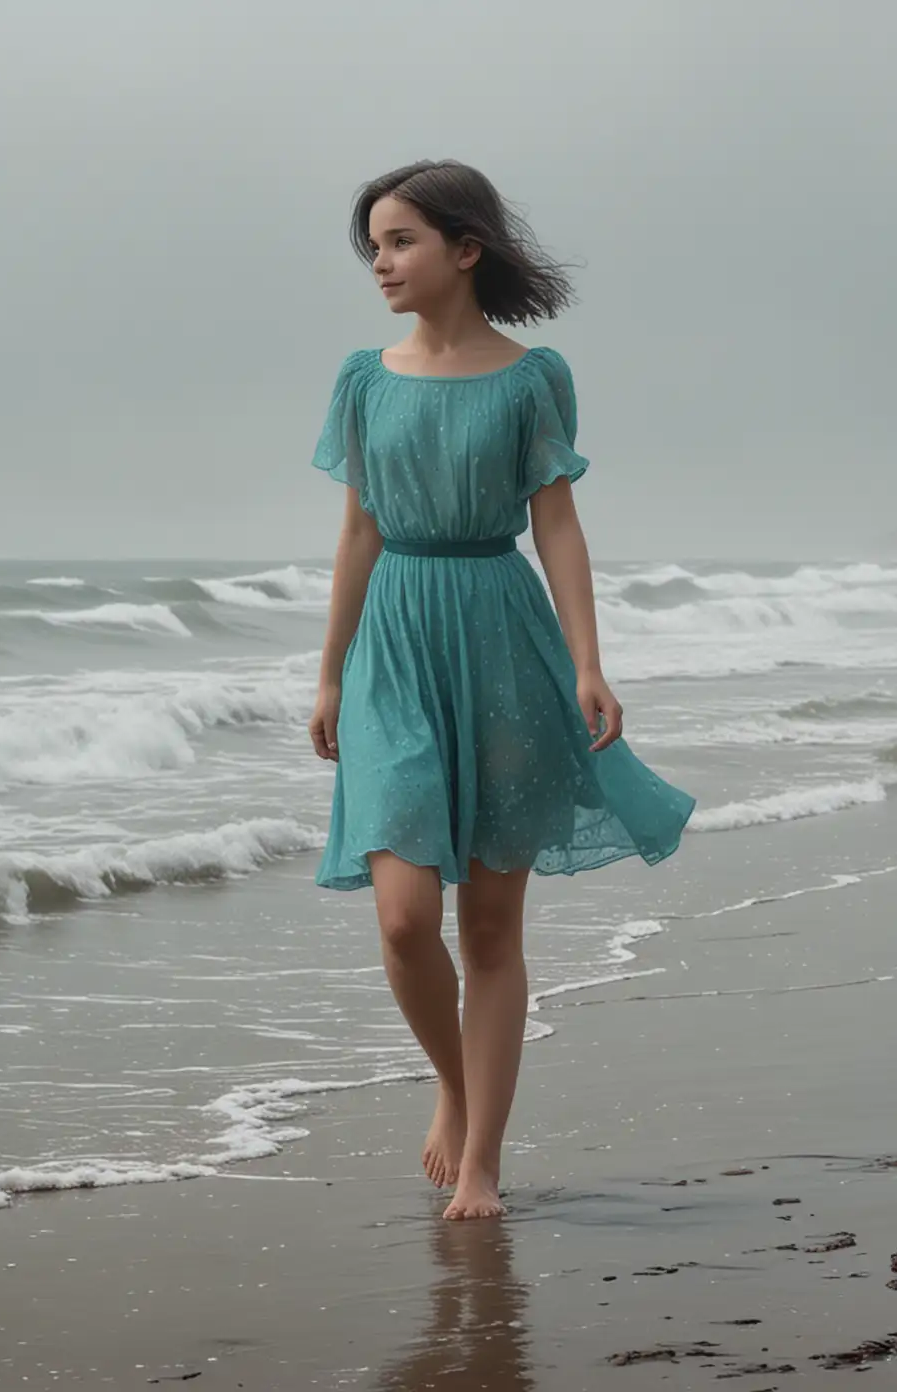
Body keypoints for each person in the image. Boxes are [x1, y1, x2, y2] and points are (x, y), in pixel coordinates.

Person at [307, 159, 695, 1220]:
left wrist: (588, 662)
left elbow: (557, 524)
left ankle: (482, 1159)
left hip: (501, 638)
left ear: (463, 250)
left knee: (489, 927)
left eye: (399, 242)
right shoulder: (362, 379)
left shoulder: (533, 379)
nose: (380, 264)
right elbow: (358, 529)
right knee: (399, 918)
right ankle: (451, 1079)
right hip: (395, 642)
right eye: (373, 247)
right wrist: (330, 671)